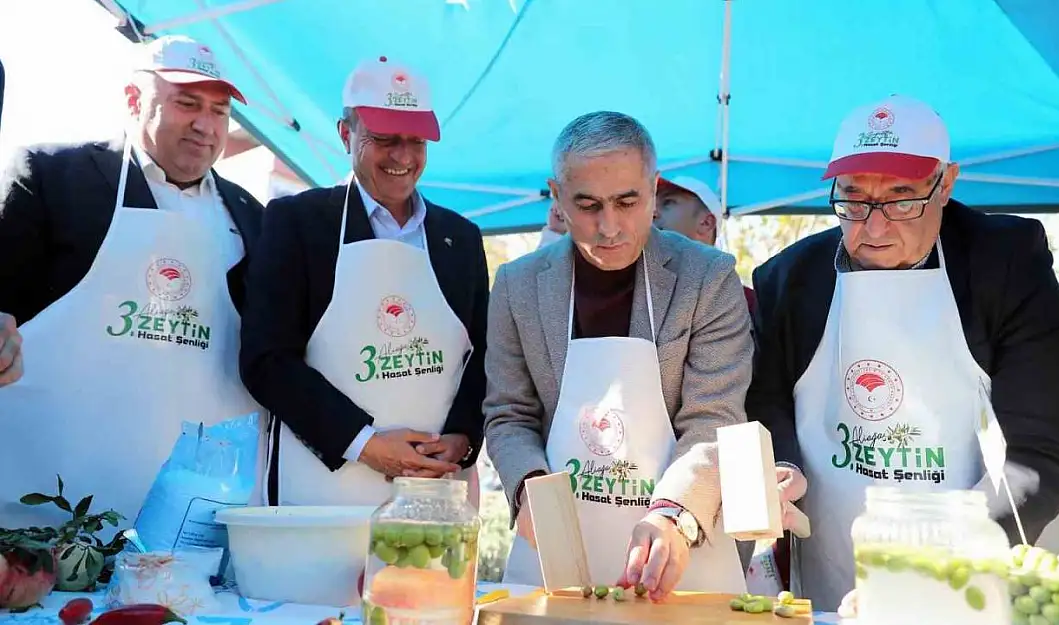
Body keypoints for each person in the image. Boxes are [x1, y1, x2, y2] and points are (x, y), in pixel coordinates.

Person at [745, 94, 1059, 613]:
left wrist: (937, 562)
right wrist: (778, 465)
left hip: (1004, 547)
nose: (874, 227)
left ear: (947, 184)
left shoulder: (1005, 262)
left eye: (901, 199)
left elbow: (1047, 444)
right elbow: (768, 403)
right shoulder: (789, 280)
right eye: (853, 199)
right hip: (841, 560)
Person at [0, 35, 265, 528]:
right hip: (45, 493)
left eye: (220, 111)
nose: (206, 126)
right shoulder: (54, 176)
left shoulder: (252, 215)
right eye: (187, 104)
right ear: (132, 100)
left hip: (186, 515)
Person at [485, 111, 751, 600]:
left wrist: (672, 515)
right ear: (557, 197)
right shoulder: (516, 287)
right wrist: (529, 487)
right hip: (557, 547)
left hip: (679, 547)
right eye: (587, 205)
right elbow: (509, 413)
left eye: (627, 202)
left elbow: (714, 418)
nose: (609, 227)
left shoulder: (708, 279)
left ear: (652, 191)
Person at [239, 57, 488, 508]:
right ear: (345, 134)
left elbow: (484, 359)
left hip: (433, 497)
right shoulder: (298, 223)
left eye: (416, 141)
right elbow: (266, 360)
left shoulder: (461, 239)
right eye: (385, 139)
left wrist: (462, 437)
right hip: (321, 490)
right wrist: (364, 442)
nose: (403, 157)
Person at [654, 176, 757, 315]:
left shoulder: (748, 305)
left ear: (706, 223)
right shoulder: (638, 298)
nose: (652, 213)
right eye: (651, 205)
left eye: (667, 202)